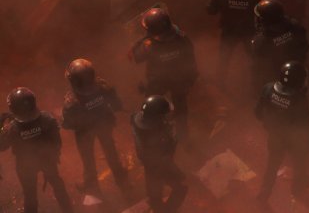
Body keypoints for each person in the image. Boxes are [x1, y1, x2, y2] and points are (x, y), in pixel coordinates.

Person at [1, 88, 75, 213]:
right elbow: (57, 142)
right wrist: (52, 155)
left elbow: (2, 146)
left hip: (25, 165)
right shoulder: (47, 118)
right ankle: (68, 209)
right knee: (58, 185)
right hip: (47, 160)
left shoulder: (12, 129)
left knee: (30, 196)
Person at [129, 6, 198, 138]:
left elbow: (136, 58)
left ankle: (153, 133)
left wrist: (140, 41)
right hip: (179, 78)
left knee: (152, 106)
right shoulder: (182, 38)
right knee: (181, 107)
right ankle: (183, 134)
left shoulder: (149, 46)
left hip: (157, 80)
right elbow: (191, 58)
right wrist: (191, 78)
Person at [61, 59, 128, 193]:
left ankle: (91, 184)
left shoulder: (71, 102)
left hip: (84, 131)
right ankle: (121, 178)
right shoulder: (103, 87)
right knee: (110, 150)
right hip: (104, 123)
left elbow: (67, 124)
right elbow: (116, 104)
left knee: (87, 158)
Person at [254, 61, 309, 202]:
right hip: (293, 140)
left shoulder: (268, 88)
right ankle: (298, 188)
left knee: (272, 165)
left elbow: (257, 112)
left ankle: (264, 193)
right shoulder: (299, 100)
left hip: (275, 137)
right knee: (300, 162)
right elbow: (304, 125)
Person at [208, 0, 269, 89]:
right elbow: (267, 13)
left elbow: (211, 10)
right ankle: (257, 85)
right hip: (251, 30)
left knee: (224, 57)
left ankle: (220, 83)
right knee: (253, 58)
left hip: (229, 30)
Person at [131, 96, 187, 213]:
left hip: (149, 164)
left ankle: (157, 204)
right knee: (181, 186)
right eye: (164, 115)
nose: (167, 117)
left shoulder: (136, 120)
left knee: (154, 194)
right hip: (160, 164)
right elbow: (166, 154)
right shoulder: (158, 135)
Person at [251, 0, 309, 89]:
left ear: (264, 20)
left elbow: (260, 61)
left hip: (275, 73)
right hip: (297, 66)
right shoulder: (296, 26)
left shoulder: (262, 40)